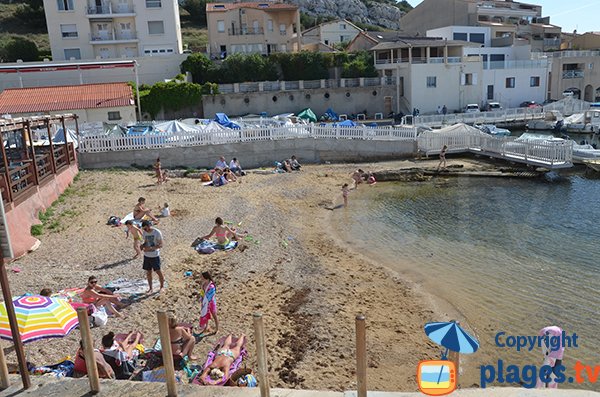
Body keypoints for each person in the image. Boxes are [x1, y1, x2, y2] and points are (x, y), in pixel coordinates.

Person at [141, 220, 165, 293]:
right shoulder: (144, 233)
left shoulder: (157, 232)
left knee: (158, 271)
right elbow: (146, 242)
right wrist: (143, 245)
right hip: (147, 255)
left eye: (146, 228)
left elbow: (161, 245)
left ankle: (162, 287)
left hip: (154, 255)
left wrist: (150, 248)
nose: (145, 230)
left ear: (149, 226)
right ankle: (150, 288)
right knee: (148, 272)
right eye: (144, 229)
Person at [198, 271, 219, 336]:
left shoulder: (211, 286)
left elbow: (210, 295)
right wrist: (201, 298)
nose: (200, 277)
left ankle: (217, 328)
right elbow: (202, 292)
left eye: (201, 276)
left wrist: (204, 300)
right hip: (204, 302)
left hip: (211, 303)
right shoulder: (203, 284)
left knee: (214, 315)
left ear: (205, 277)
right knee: (206, 314)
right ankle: (206, 327)